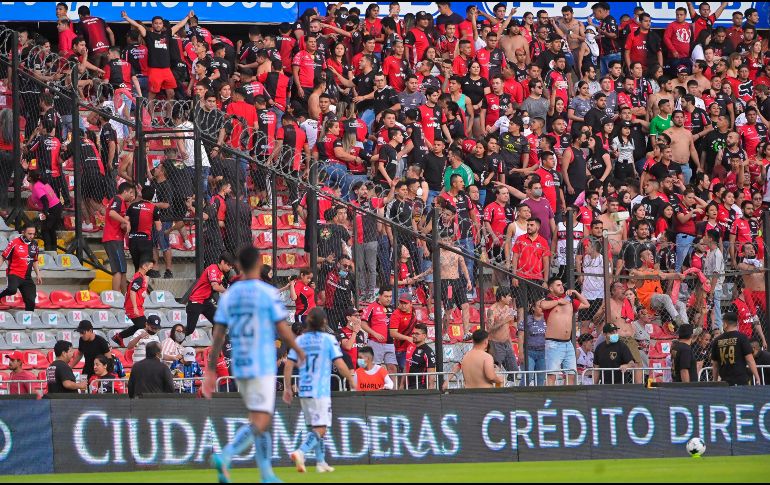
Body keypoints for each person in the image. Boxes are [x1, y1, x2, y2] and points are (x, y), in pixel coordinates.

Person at [204, 246, 304, 484]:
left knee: (259, 419)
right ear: (259, 263)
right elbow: (282, 328)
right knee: (260, 420)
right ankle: (226, 455)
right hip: (261, 361)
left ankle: (266, 474)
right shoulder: (267, 293)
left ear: (239, 265)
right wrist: (299, 350)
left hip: (239, 363)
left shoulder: (230, 295)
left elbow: (218, 333)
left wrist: (210, 369)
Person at [284, 308, 355, 474]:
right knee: (321, 428)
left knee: (315, 427)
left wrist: (287, 387)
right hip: (320, 390)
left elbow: (289, 365)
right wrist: (351, 379)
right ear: (324, 322)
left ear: (308, 321)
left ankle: (321, 462)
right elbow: (339, 363)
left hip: (304, 389)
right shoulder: (328, 339)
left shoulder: (300, 341)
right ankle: (300, 452)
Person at [540, 277, 589, 385]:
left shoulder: (569, 300)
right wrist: (558, 301)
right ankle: (549, 400)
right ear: (551, 288)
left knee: (571, 374)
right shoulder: (548, 299)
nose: (561, 287)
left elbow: (586, 304)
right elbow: (542, 305)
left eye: (562, 284)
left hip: (568, 343)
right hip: (553, 343)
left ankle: (567, 400)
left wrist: (576, 292)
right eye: (558, 285)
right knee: (552, 375)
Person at [185, 252, 234, 336]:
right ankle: (173, 341)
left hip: (205, 302)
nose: (230, 268)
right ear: (222, 262)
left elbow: (220, 286)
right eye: (229, 265)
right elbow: (215, 287)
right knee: (189, 330)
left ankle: (216, 346)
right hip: (196, 301)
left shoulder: (220, 272)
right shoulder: (213, 269)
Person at [112, 258, 155, 348]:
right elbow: (132, 291)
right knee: (145, 327)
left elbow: (140, 293)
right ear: (144, 266)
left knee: (139, 326)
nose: (151, 269)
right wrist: (135, 307)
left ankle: (119, 337)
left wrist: (146, 282)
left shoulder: (139, 277)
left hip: (136, 307)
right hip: (133, 307)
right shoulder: (139, 278)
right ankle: (138, 345)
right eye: (150, 267)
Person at [102, 182, 136, 293]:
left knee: (122, 270)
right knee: (117, 270)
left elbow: (121, 224)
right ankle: (115, 297)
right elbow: (112, 213)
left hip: (117, 238)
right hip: (113, 238)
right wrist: (126, 221)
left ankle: (124, 295)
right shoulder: (117, 199)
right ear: (125, 192)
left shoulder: (123, 204)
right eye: (131, 193)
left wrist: (126, 225)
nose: (132, 195)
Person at [711, 311, 760, 386]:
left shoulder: (717, 340)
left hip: (725, 381)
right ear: (737, 323)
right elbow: (750, 360)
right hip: (740, 380)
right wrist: (757, 377)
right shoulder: (742, 337)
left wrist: (714, 381)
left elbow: (715, 364)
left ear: (725, 324)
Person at [0, 225, 41, 311]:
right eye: (29, 234)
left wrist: (38, 274)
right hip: (14, 274)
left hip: (27, 277)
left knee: (31, 301)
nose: (32, 236)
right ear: (23, 232)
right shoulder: (14, 243)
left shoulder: (35, 244)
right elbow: (3, 257)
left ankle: (28, 321)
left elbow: (35, 260)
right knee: (12, 290)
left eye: (33, 234)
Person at [486, 287, 519, 379]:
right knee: (496, 370)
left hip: (507, 343)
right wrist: (504, 321)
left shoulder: (507, 308)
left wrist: (511, 344)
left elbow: (507, 328)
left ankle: (510, 389)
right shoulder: (492, 310)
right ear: (502, 297)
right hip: (495, 344)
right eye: (508, 296)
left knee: (514, 371)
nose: (510, 298)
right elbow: (489, 328)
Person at [406, 323, 436, 390]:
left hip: (420, 388)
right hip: (408, 387)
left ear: (424, 336)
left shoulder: (428, 352)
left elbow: (431, 374)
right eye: (413, 333)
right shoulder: (410, 348)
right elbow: (406, 367)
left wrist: (431, 390)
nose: (414, 335)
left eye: (417, 334)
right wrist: (402, 385)